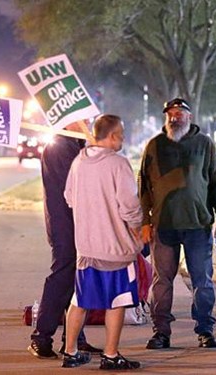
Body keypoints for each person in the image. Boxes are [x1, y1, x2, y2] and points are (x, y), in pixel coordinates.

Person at [139, 98, 216, 350]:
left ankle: (205, 330)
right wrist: (145, 220)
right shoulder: (154, 145)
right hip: (163, 225)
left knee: (203, 281)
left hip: (198, 225)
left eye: (180, 113)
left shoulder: (204, 144)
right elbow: (143, 186)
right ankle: (161, 332)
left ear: (189, 116)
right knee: (161, 282)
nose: (175, 117)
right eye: (170, 113)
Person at [61, 114, 142, 370]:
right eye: (122, 133)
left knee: (80, 300)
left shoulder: (78, 162)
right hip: (116, 248)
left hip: (86, 246)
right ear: (113, 135)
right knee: (117, 301)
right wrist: (139, 229)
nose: (124, 139)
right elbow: (129, 206)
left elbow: (69, 197)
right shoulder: (118, 164)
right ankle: (110, 354)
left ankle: (70, 351)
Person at [28, 121, 102, 359]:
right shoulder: (60, 146)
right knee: (62, 278)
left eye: (88, 119)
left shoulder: (76, 144)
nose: (87, 124)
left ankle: (73, 338)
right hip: (66, 224)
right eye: (82, 119)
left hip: (79, 223)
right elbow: (76, 186)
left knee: (77, 281)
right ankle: (41, 337)